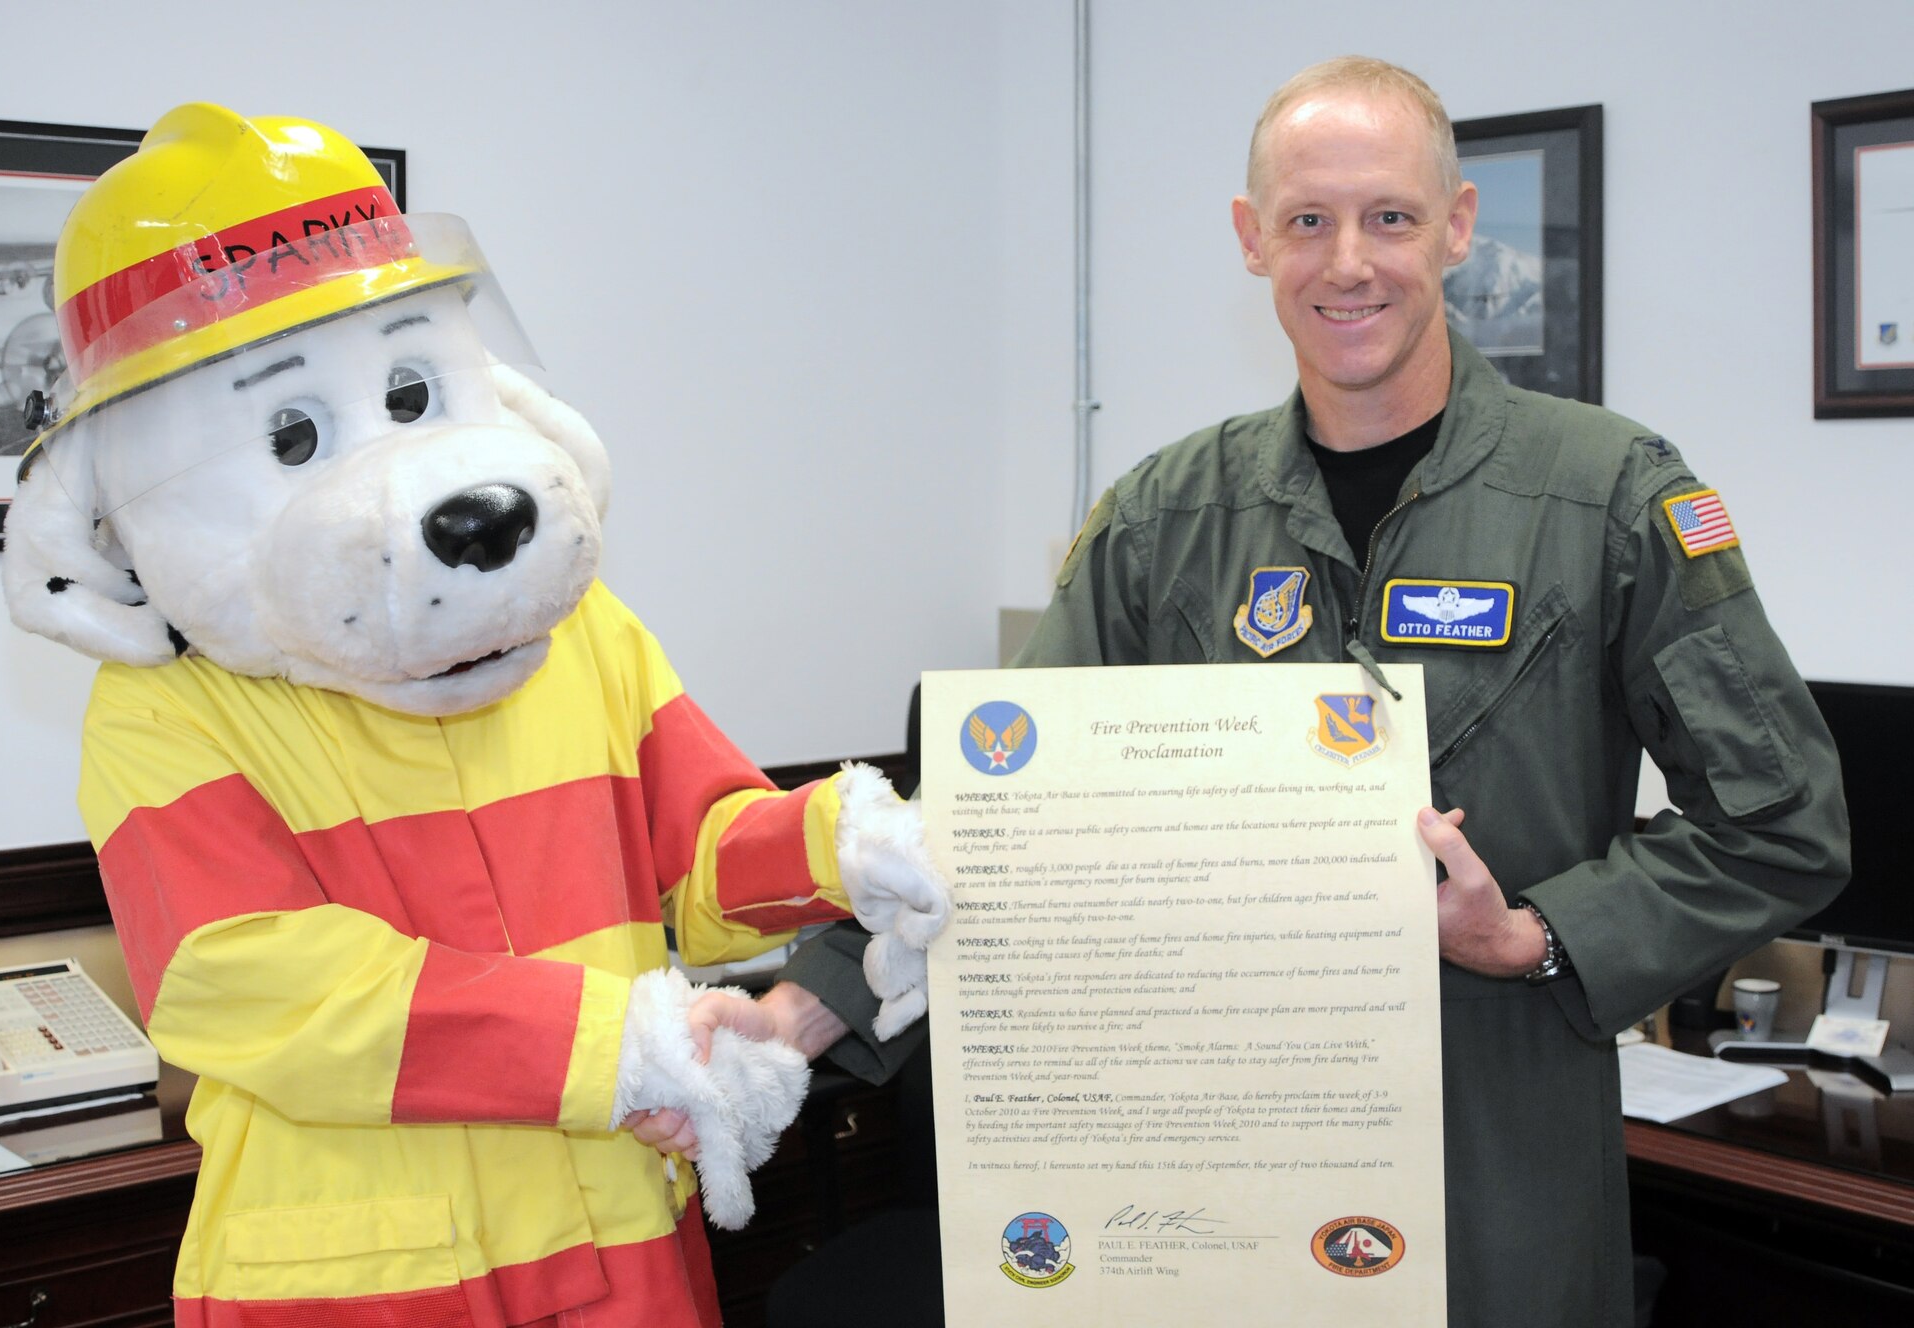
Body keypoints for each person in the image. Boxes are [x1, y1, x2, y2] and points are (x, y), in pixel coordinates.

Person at [641, 56, 1850, 1327]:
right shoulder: (1166, 518)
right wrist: (794, 1015)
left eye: (1388, 216)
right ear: (1248, 237)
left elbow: (1779, 818)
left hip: (1491, 1177)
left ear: (1455, 225)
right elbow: (995, 823)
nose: (1347, 263)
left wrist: (1535, 933)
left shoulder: (1606, 493)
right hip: (1214, 1186)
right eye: (1306, 221)